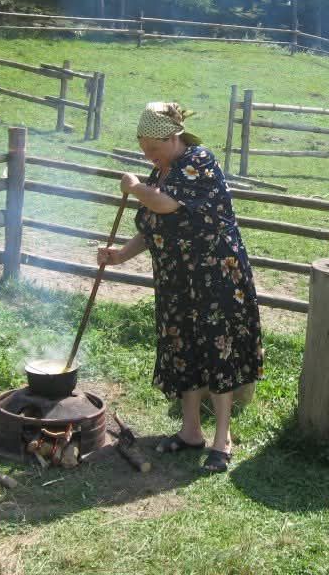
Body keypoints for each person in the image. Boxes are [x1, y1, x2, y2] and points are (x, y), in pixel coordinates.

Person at [97, 102, 264, 473]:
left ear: (172, 138)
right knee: (183, 346)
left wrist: (136, 188)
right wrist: (121, 255)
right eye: (144, 149)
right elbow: (152, 224)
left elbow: (166, 205)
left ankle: (223, 440)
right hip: (177, 279)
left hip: (215, 274)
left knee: (216, 349)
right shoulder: (162, 169)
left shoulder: (199, 161)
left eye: (153, 149)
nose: (148, 155)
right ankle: (191, 431)